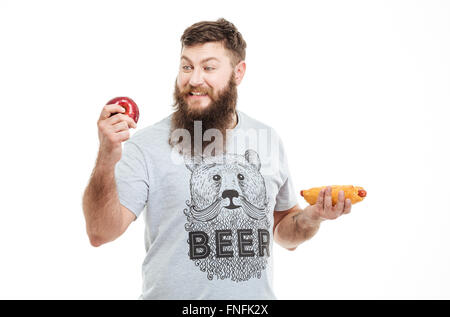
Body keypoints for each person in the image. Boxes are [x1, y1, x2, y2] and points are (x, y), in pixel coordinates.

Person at [82, 18, 352, 300]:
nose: (194, 79)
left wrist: (314, 216)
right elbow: (100, 232)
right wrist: (106, 156)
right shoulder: (147, 145)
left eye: (208, 67)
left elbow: (284, 231)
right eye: (187, 66)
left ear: (238, 73)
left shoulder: (267, 139)